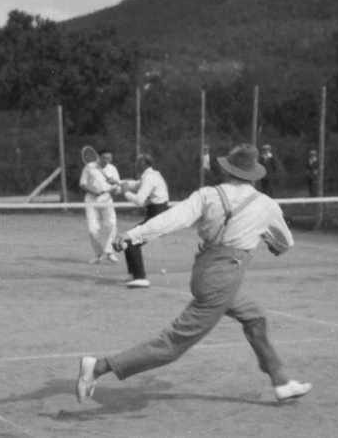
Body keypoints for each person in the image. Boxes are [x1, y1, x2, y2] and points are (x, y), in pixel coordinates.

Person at [75, 143, 312, 404]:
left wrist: (133, 235)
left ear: (227, 171)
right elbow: (285, 244)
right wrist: (271, 243)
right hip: (224, 279)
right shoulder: (266, 205)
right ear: (254, 174)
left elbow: (171, 219)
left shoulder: (208, 194)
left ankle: (281, 381)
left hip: (205, 271)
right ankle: (99, 367)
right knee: (172, 345)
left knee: (254, 318)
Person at [116, 153, 170, 288]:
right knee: (128, 238)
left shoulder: (150, 178)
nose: (135, 165)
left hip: (158, 216)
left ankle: (141, 278)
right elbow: (135, 184)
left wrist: (125, 193)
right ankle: (134, 274)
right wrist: (118, 183)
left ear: (143, 164)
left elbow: (139, 200)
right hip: (156, 214)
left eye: (137, 162)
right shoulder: (150, 175)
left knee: (130, 240)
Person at [80, 149, 121, 264]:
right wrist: (93, 191)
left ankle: (108, 252)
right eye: (104, 158)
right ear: (99, 157)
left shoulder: (113, 169)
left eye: (109, 158)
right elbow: (82, 184)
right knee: (92, 229)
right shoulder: (89, 167)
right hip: (91, 201)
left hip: (107, 200)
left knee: (112, 225)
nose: (107, 160)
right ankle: (99, 254)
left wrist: (114, 189)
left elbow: (117, 188)